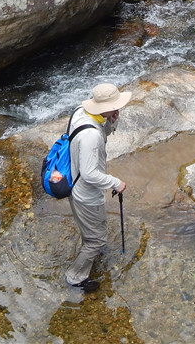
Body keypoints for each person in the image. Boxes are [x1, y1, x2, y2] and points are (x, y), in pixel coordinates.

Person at [65, 83, 131, 293]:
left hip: (73, 183)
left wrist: (111, 121)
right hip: (85, 194)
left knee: (92, 232)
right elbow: (90, 174)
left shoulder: (80, 112)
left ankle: (89, 245)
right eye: (115, 108)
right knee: (97, 239)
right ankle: (75, 277)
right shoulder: (91, 136)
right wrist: (115, 183)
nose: (117, 111)